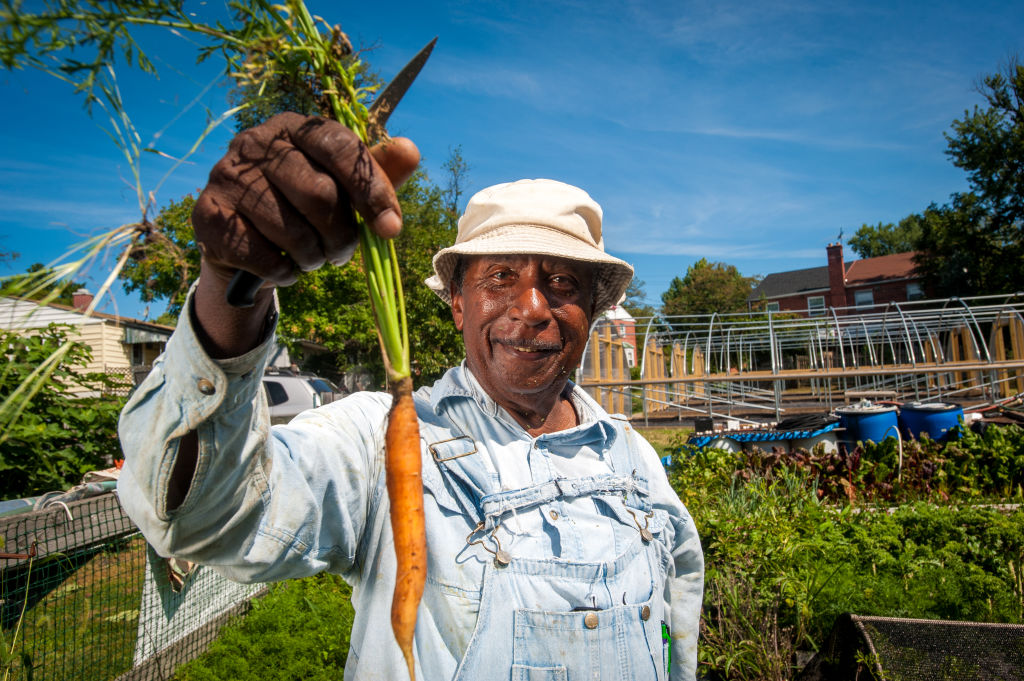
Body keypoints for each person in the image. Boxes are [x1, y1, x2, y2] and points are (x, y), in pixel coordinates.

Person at [117, 113, 704, 680]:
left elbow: (676, 633)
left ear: (593, 311)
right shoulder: (380, 439)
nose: (531, 309)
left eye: (562, 283)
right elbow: (202, 519)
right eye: (501, 276)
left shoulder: (631, 456)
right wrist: (229, 288)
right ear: (456, 302)